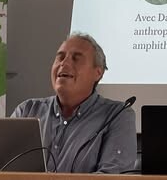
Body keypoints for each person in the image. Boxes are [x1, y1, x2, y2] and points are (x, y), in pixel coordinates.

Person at [12, 33, 137, 173]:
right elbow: (2, 168)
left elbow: (112, 175)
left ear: (98, 73)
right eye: (60, 57)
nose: (64, 63)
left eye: (76, 59)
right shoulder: (27, 111)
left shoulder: (117, 116)